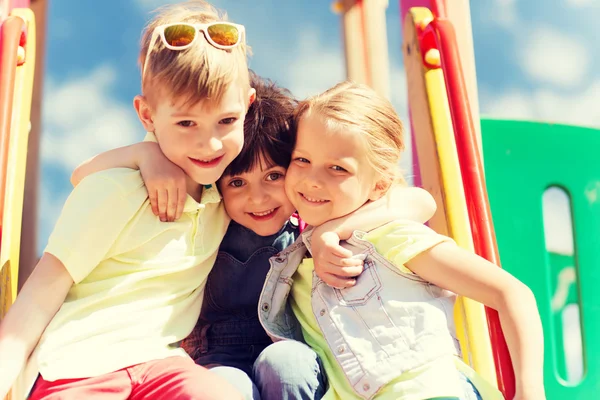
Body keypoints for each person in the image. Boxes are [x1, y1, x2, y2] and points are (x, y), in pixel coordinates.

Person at [71, 73, 438, 400]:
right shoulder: (206, 217)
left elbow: (420, 201)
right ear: (218, 184)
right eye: (237, 182)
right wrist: (144, 154)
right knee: (229, 387)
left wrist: (329, 232)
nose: (258, 198)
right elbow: (82, 176)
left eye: (274, 176)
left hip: (292, 347)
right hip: (217, 359)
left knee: (285, 362)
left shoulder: (308, 222)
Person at [0, 1, 254, 398]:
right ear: (147, 116)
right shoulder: (116, 191)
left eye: (226, 120)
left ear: (248, 108)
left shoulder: (230, 197)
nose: (210, 142)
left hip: (160, 365)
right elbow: (37, 299)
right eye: (186, 123)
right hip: (78, 367)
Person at [258, 81, 546, 400]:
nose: (312, 179)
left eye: (337, 168)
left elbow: (511, 293)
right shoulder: (291, 263)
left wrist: (529, 389)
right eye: (302, 160)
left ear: (379, 186)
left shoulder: (390, 238)